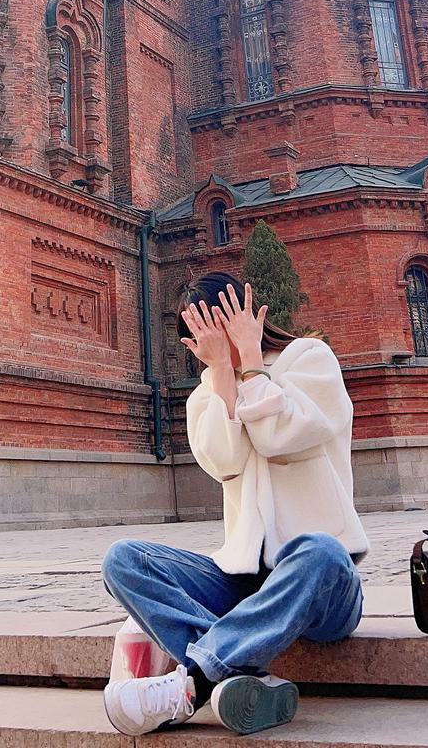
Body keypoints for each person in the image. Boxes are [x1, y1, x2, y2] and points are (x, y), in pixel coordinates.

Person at [102, 272, 368, 736]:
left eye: (217, 321)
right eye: (199, 332)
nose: (212, 337)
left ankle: (195, 680)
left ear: (243, 310)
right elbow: (225, 460)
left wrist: (249, 363)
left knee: (321, 550)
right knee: (124, 560)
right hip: (244, 580)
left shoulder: (310, 358)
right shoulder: (208, 393)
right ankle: (241, 676)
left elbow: (277, 436)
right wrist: (224, 373)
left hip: (320, 585)